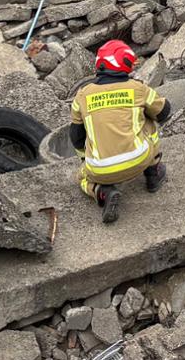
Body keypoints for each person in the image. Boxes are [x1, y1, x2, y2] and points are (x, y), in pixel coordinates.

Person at [71, 40, 170, 223]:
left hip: (99, 170)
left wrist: (85, 160)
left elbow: (76, 137)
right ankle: (153, 173)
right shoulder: (137, 89)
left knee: (80, 177)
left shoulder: (82, 95)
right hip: (140, 159)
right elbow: (164, 113)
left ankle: (102, 192)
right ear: (124, 63)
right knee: (147, 117)